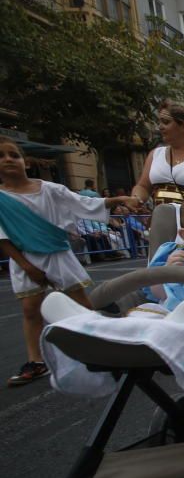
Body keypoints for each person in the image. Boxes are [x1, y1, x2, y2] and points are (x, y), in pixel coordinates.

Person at [0, 136, 138, 386]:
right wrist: (27, 266)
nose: (9, 159)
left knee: (82, 305)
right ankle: (36, 361)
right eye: (2, 156)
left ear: (25, 161)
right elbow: (3, 238)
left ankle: (103, 347)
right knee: (31, 310)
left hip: (57, 253)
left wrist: (117, 200)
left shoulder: (49, 189)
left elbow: (83, 203)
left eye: (14, 155)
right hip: (25, 258)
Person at [42, 194, 184, 326]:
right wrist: (168, 270)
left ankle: (85, 324)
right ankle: (82, 322)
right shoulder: (176, 256)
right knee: (138, 316)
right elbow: (157, 294)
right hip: (170, 314)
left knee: (168, 319)